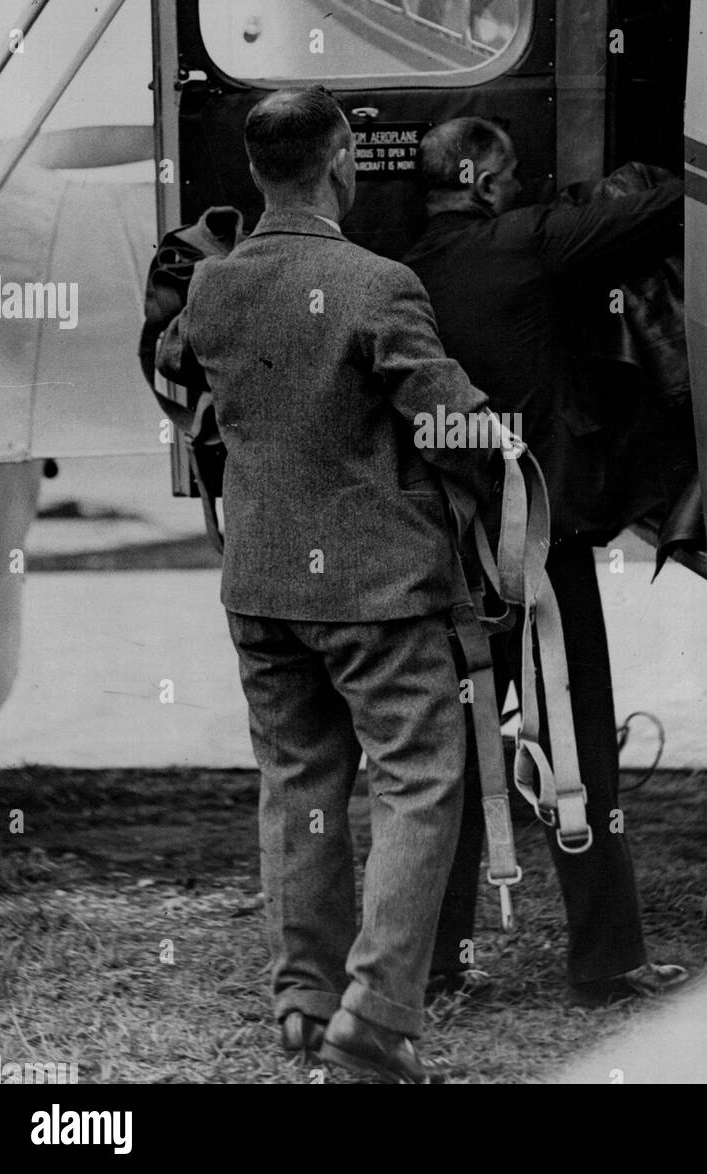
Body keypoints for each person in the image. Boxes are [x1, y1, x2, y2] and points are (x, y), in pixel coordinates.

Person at [157, 87, 503, 1083]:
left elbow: (183, 383)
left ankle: (307, 1007)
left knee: (300, 785)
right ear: (342, 161)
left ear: (259, 172)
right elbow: (449, 424)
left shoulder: (213, 286)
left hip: (261, 582)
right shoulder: (376, 283)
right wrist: (502, 456)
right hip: (376, 587)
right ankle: (380, 1017)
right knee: (418, 778)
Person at [406, 116, 689, 1007]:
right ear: (483, 181)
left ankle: (440, 963)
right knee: (580, 747)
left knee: (448, 755)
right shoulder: (527, 242)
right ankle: (605, 962)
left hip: (445, 557)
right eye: (514, 175)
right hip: (544, 548)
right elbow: (668, 210)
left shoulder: (399, 273)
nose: (521, 187)